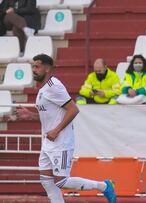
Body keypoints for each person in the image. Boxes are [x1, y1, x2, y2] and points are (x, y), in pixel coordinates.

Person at [16, 54, 116, 203]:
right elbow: (50, 116)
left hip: (61, 141)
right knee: (46, 180)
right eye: (33, 66)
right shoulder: (43, 89)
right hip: (48, 142)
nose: (34, 70)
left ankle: (104, 186)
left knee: (61, 181)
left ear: (48, 68)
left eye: (37, 66)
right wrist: (30, 115)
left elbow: (73, 109)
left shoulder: (53, 86)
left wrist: (56, 130)